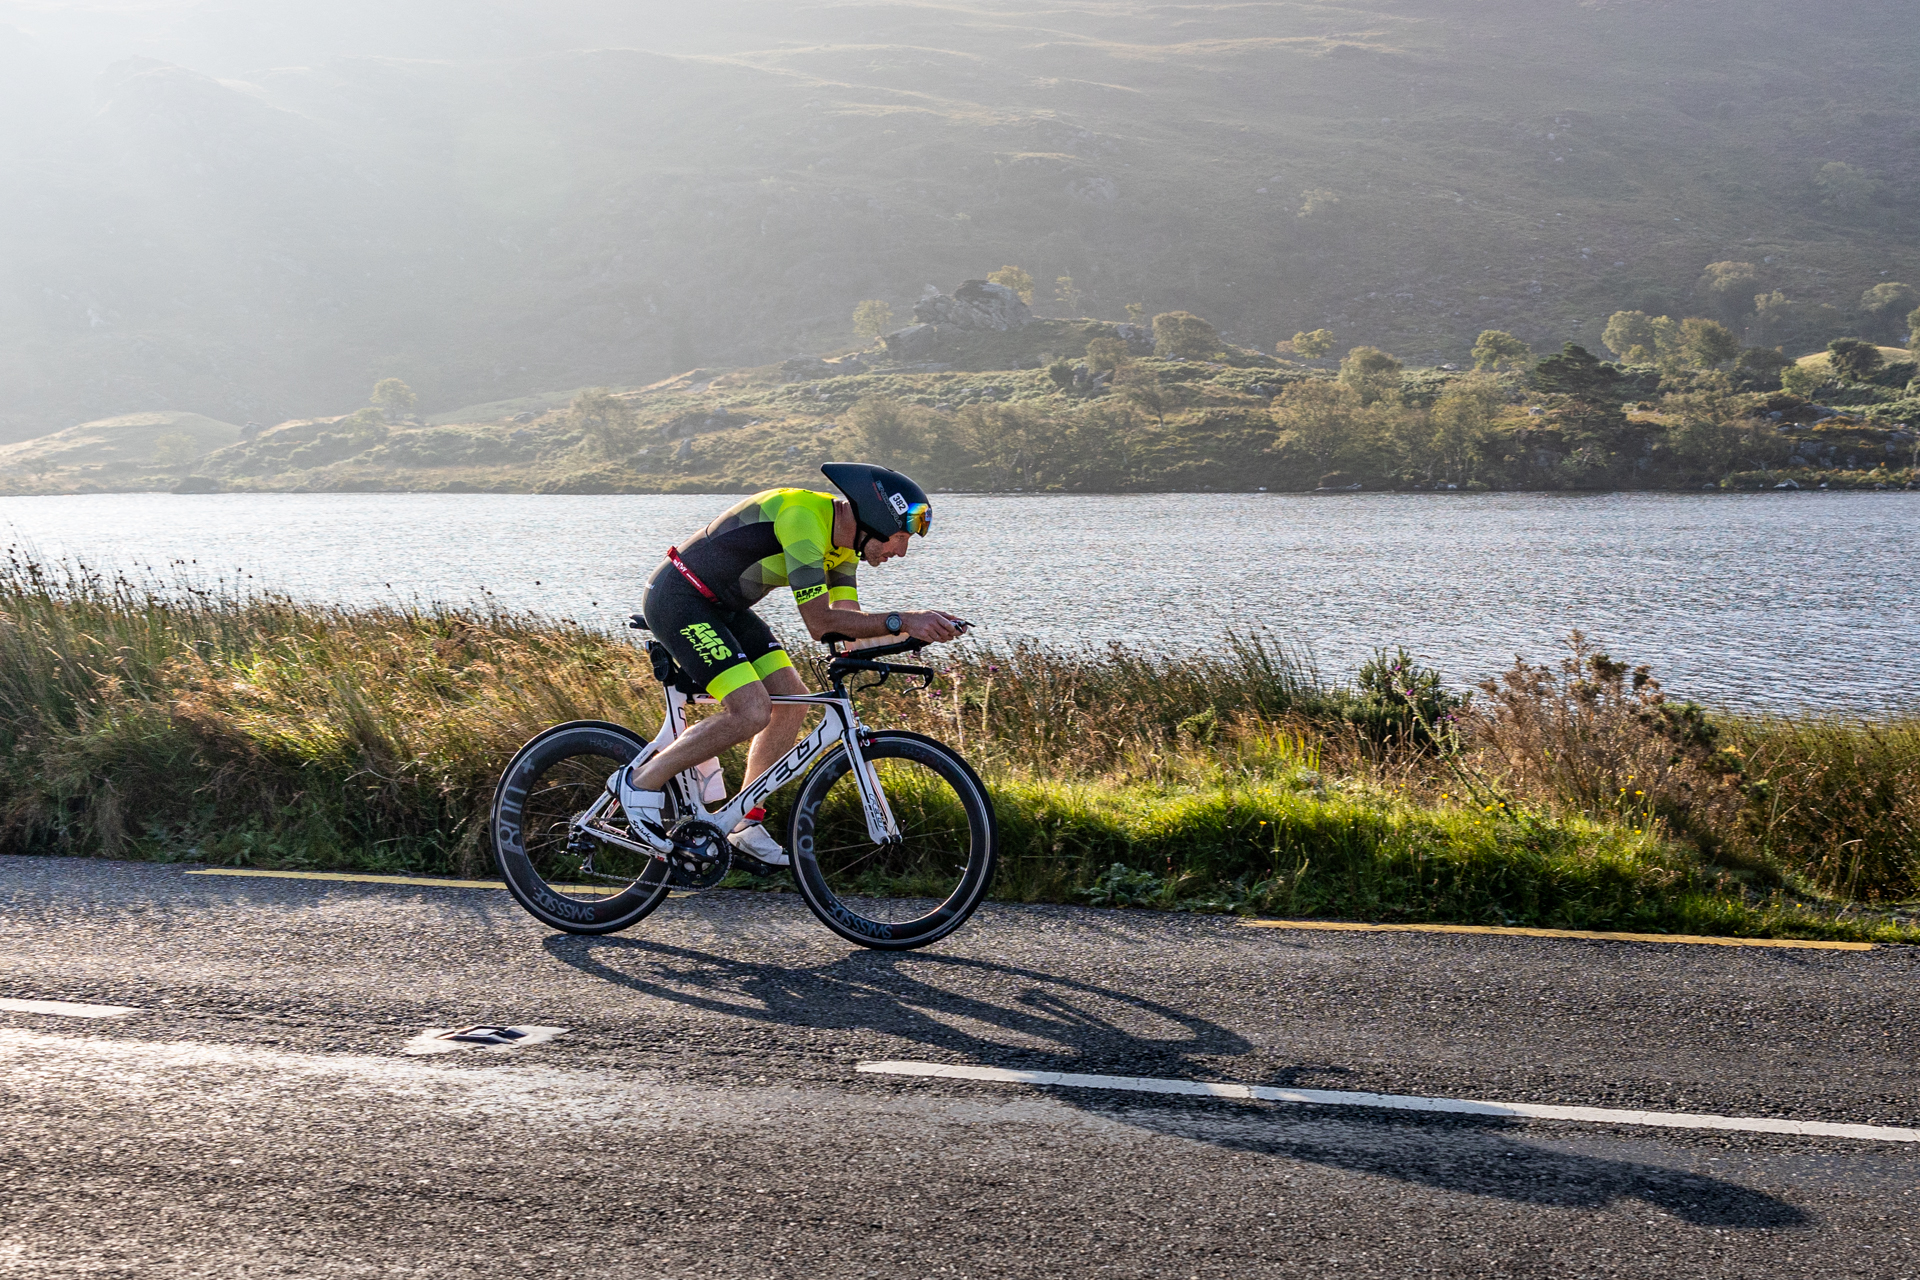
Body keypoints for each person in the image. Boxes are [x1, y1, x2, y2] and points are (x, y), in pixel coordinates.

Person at [613, 464, 965, 867]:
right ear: (875, 519)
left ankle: (742, 823)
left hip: (725, 608)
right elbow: (820, 623)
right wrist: (903, 619)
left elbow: (848, 628)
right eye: (901, 537)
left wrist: (918, 632)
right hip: (680, 599)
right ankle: (640, 785)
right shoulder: (804, 519)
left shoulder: (845, 546)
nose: (900, 551)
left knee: (793, 702)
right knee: (751, 710)